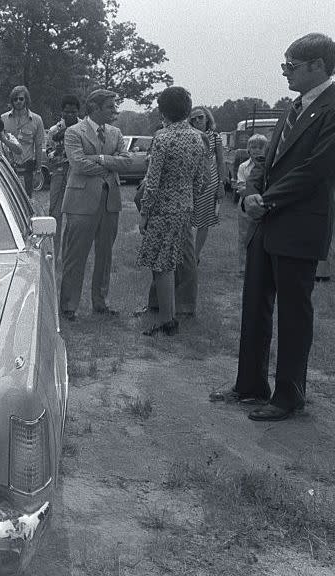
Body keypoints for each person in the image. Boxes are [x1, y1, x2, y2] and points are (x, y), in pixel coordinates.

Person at [211, 33, 335, 421]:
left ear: (318, 65)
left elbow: (316, 168)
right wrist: (249, 191)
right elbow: (266, 160)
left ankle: (288, 397)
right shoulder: (292, 107)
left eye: (290, 67)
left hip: (298, 223)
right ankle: (249, 386)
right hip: (266, 221)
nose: (284, 74)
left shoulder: (331, 108)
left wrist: (269, 200)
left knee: (293, 314)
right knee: (254, 305)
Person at [136, 86, 205, 336]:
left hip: (163, 207)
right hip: (184, 206)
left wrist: (144, 213)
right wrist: (191, 201)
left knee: (162, 263)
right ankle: (170, 314)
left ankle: (167, 320)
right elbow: (200, 178)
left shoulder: (163, 138)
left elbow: (152, 182)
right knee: (171, 260)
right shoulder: (198, 137)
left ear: (163, 110)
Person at [58, 89, 133, 321]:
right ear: (95, 107)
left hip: (109, 202)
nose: (114, 111)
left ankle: (101, 303)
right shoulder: (73, 132)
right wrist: (111, 165)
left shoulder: (116, 133)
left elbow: (127, 162)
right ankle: (68, 306)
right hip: (80, 203)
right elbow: (78, 165)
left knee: (105, 255)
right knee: (75, 255)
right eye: (110, 107)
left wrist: (99, 159)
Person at [188, 106, 227, 261]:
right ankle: (187, 253)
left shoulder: (215, 137)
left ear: (207, 118)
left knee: (204, 220)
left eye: (200, 117)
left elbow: (220, 161)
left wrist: (222, 184)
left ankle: (195, 256)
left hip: (210, 180)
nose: (197, 121)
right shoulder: (189, 136)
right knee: (187, 218)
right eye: (194, 118)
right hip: (190, 180)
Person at [46, 95, 81, 256]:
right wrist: (60, 151)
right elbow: (49, 154)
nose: (70, 115)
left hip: (77, 174)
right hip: (59, 173)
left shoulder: (84, 128)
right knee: (55, 213)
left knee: (74, 215)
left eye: (73, 112)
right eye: (67, 112)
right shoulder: (54, 130)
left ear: (78, 112)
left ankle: (70, 254)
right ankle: (54, 253)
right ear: (62, 112)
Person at [1, 86, 46, 197]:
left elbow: (39, 145)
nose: (18, 102)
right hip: (8, 165)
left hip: (27, 166)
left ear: (26, 99)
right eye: (15, 99)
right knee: (9, 198)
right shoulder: (3, 118)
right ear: (12, 101)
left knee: (27, 199)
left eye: (21, 98)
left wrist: (38, 170)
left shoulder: (37, 119)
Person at [234, 134, 269, 272]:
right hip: (245, 207)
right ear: (248, 149)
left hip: (263, 206)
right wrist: (249, 192)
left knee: (261, 237)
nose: (257, 150)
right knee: (244, 235)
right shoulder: (244, 166)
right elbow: (241, 186)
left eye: (260, 147)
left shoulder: (268, 166)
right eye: (253, 147)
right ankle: (243, 267)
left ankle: (259, 267)